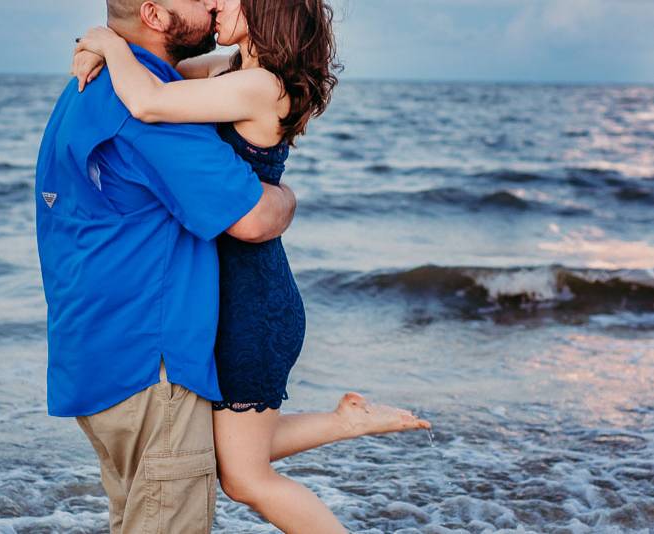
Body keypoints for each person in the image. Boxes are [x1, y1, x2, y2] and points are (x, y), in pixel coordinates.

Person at [71, 1, 433, 532]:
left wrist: (104, 42)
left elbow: (149, 101)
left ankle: (342, 441)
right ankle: (345, 420)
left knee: (244, 478)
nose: (214, 2)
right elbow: (159, 75)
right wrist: (112, 52)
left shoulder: (264, 86)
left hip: (251, 301)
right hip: (226, 294)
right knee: (219, 455)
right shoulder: (230, 69)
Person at [36, 1, 299, 533]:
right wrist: (287, 198)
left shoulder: (92, 87)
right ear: (155, 15)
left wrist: (104, 43)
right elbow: (250, 219)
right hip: (149, 367)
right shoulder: (148, 111)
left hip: (94, 358)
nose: (209, 1)